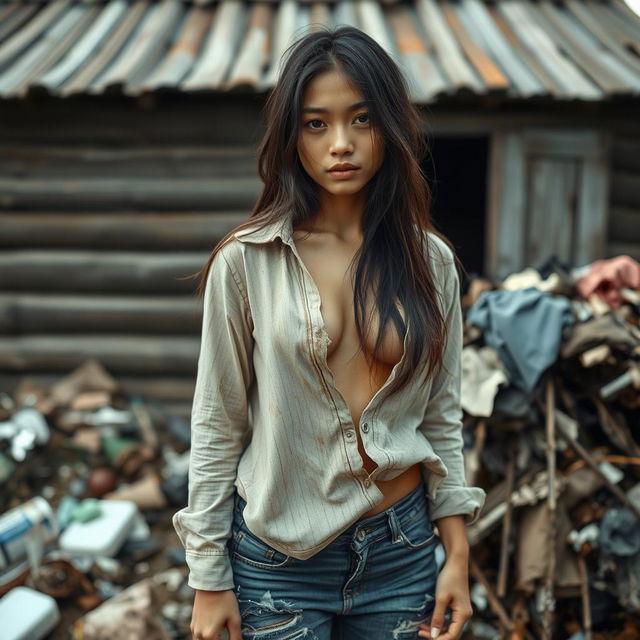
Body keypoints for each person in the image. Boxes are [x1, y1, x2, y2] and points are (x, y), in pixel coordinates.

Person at [172, 24, 486, 640]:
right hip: (279, 562)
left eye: (362, 120)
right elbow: (218, 423)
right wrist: (208, 579)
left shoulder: (432, 263)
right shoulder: (246, 262)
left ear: (389, 128)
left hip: (402, 550)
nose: (341, 144)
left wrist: (458, 556)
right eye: (316, 123)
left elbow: (441, 419)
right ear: (291, 137)